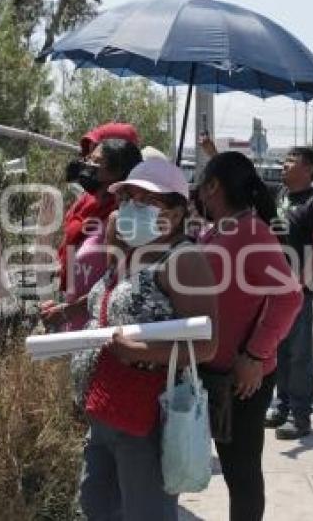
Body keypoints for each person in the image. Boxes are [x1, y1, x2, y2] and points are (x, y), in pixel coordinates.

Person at [78, 159, 218, 521]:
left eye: (144, 201)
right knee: (97, 504)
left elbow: (206, 344)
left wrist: (139, 351)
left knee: (145, 513)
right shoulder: (132, 253)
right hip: (105, 406)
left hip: (146, 415)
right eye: (127, 198)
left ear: (175, 213)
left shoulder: (183, 260)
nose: (129, 208)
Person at [194, 152, 303, 520]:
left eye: (201, 182)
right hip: (212, 370)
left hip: (240, 377)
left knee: (241, 473)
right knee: (230, 467)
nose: (197, 191)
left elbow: (289, 296)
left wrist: (255, 355)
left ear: (213, 186)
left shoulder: (251, 231)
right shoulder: (219, 228)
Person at [41, 126, 141, 331]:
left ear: (117, 172)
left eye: (96, 161)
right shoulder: (88, 207)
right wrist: (62, 306)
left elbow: (116, 285)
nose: (86, 164)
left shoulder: (123, 221)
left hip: (103, 331)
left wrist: (66, 312)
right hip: (77, 327)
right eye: (88, 158)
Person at [265, 147, 313, 439]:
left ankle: (300, 415)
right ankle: (281, 406)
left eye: (291, 161)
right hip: (270, 287)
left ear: (309, 169)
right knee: (278, 350)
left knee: (299, 355)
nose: (284, 165)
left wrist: (299, 283)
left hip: (297, 291)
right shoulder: (280, 195)